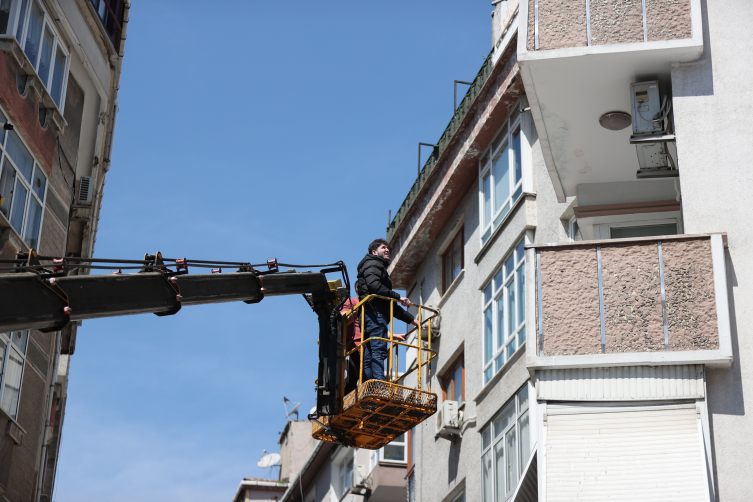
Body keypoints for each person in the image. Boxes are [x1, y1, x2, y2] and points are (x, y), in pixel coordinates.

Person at [357, 238, 420, 381]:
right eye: (383, 248)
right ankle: (378, 386)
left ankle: (369, 387)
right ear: (374, 252)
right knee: (377, 351)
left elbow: (388, 305)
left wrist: (411, 320)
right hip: (374, 316)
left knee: (369, 354)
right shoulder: (373, 264)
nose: (387, 250)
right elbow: (375, 287)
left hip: (368, 315)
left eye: (388, 248)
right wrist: (398, 297)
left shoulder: (372, 266)